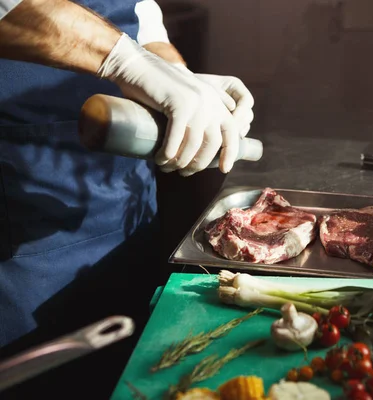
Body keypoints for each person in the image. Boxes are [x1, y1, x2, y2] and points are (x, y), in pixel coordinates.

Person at [0, 0, 254, 397]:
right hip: (22, 206)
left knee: (129, 371)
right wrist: (125, 62)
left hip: (122, 199)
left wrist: (178, 77)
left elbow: (137, 16)